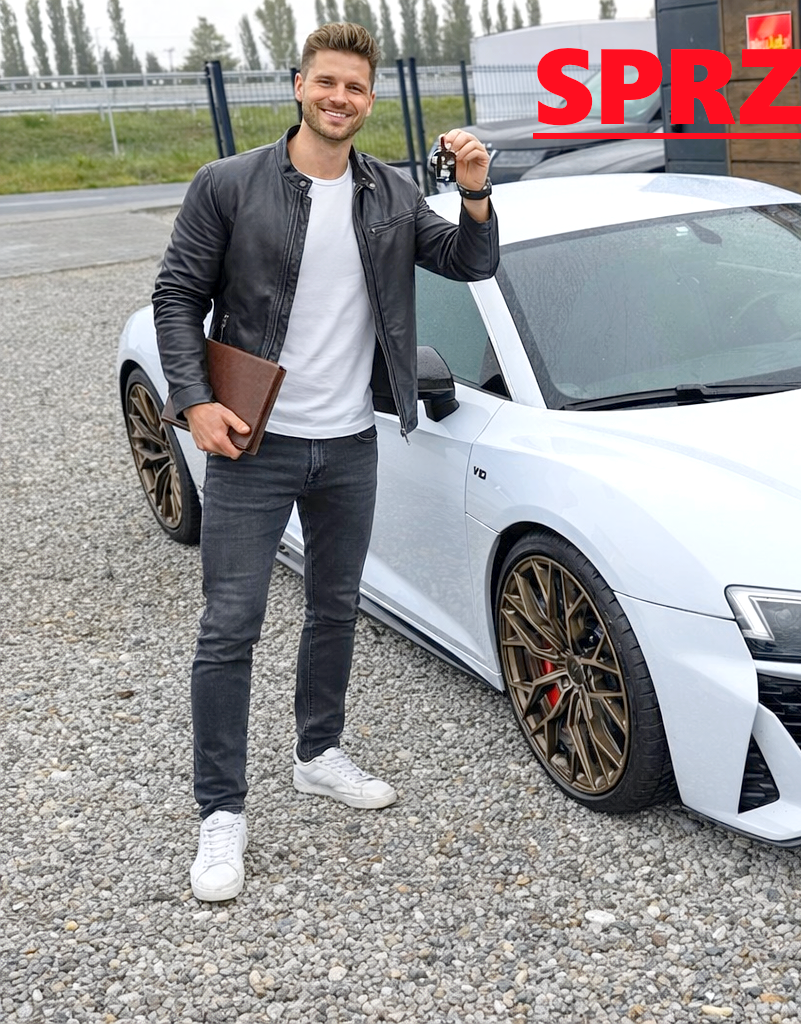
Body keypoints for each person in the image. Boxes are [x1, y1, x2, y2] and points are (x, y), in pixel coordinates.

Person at [152, 22, 500, 902]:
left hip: (349, 441)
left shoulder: (385, 194)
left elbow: (471, 260)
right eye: (327, 83)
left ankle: (319, 753)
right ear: (299, 85)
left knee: (336, 607)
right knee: (230, 628)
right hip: (254, 443)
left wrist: (475, 191)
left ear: (369, 101)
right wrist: (196, 403)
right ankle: (220, 813)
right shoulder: (228, 185)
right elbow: (176, 296)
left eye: (356, 88)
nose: (340, 98)